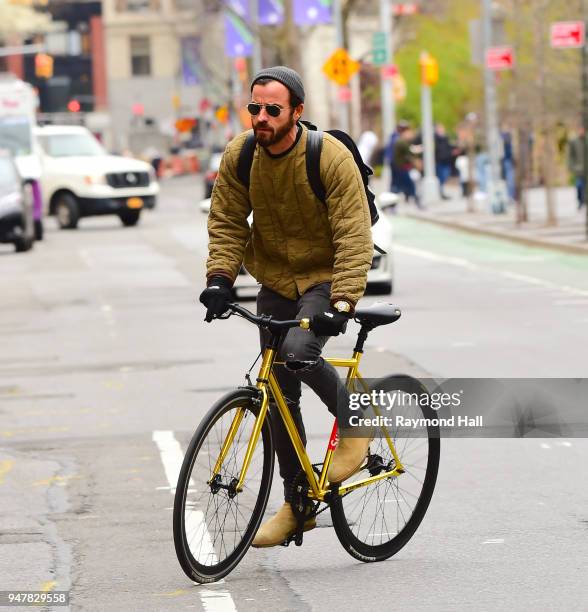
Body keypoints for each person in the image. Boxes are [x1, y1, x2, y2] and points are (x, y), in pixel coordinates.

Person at [198, 66, 374, 548]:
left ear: (297, 112)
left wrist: (341, 301)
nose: (261, 117)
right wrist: (219, 279)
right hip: (274, 278)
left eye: (272, 109)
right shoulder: (241, 155)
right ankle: (298, 504)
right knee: (278, 391)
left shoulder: (327, 157)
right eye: (254, 107)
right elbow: (228, 221)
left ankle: (359, 422)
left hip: (323, 276)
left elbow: (354, 233)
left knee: (299, 352)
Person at [391, 125, 421, 208]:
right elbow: (409, 153)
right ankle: (417, 202)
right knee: (407, 185)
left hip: (401, 168)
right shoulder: (401, 142)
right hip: (401, 168)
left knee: (399, 186)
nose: (411, 135)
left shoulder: (402, 142)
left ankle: (393, 204)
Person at [568, 127, 586, 210]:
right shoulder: (574, 141)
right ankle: (580, 201)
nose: (581, 131)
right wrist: (572, 166)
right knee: (579, 186)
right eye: (580, 129)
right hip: (578, 169)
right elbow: (570, 156)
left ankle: (584, 201)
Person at [434, 123, 453, 200]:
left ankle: (441, 191)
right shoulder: (435, 138)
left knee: (445, 175)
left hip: (446, 160)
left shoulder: (446, 138)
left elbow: (448, 147)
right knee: (441, 177)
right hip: (439, 161)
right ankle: (440, 192)